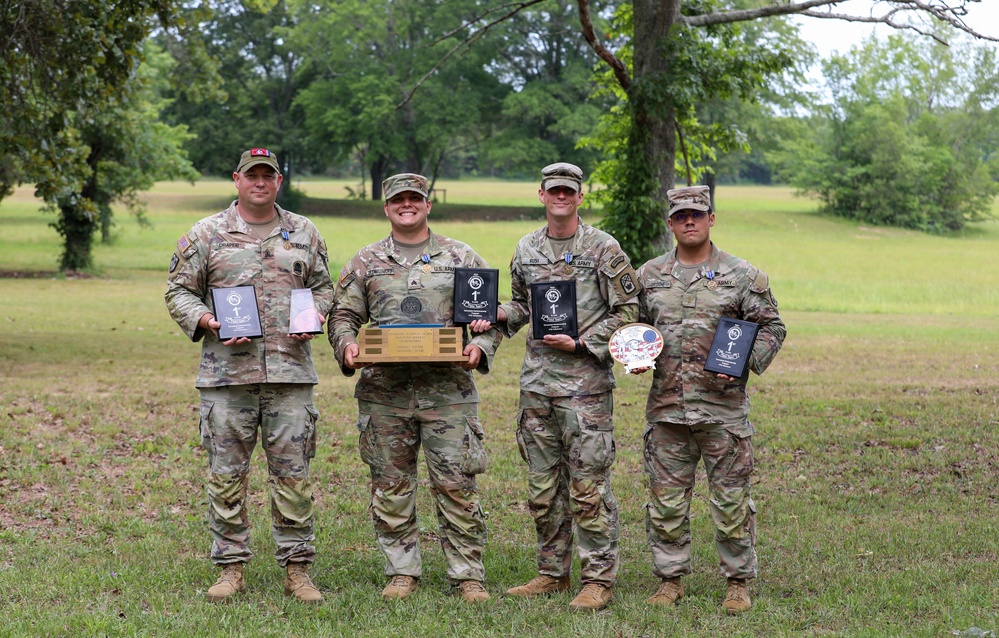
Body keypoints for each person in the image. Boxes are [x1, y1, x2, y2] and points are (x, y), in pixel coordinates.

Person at [165, 148, 334, 604]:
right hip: (226, 377)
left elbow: (324, 285)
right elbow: (179, 291)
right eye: (252, 175)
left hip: (291, 373)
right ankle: (230, 567)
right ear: (236, 179)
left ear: (279, 181)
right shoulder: (207, 233)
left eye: (269, 175)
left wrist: (314, 313)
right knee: (226, 474)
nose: (260, 182)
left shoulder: (304, 231)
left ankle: (298, 570)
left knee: (293, 475)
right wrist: (207, 321)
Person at [328, 173, 502, 603]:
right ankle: (402, 570)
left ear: (428, 205)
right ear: (386, 208)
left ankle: (467, 575)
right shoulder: (365, 262)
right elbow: (342, 316)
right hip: (384, 393)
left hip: (448, 393)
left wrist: (480, 343)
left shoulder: (461, 256)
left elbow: (495, 313)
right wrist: (347, 346)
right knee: (390, 484)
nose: (407, 205)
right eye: (398, 200)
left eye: (415, 199)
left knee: (457, 483)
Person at [633, 185, 786, 614]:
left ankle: (738, 582)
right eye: (681, 215)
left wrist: (743, 362)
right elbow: (633, 329)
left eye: (697, 215)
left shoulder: (742, 276)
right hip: (666, 408)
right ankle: (669, 579)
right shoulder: (649, 276)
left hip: (722, 411)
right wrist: (634, 354)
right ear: (670, 223)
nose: (689, 221)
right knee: (665, 501)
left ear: (711, 219)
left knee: (731, 499)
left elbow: (773, 327)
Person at [495, 162, 640, 611]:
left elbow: (630, 311)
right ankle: (552, 572)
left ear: (580, 197)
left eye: (568, 191)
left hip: (586, 388)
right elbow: (522, 304)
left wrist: (582, 342)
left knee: (588, 486)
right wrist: (499, 315)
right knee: (543, 487)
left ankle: (598, 578)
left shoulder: (602, 247)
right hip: (537, 386)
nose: (561, 196)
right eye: (553, 190)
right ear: (541, 194)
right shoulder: (527, 247)